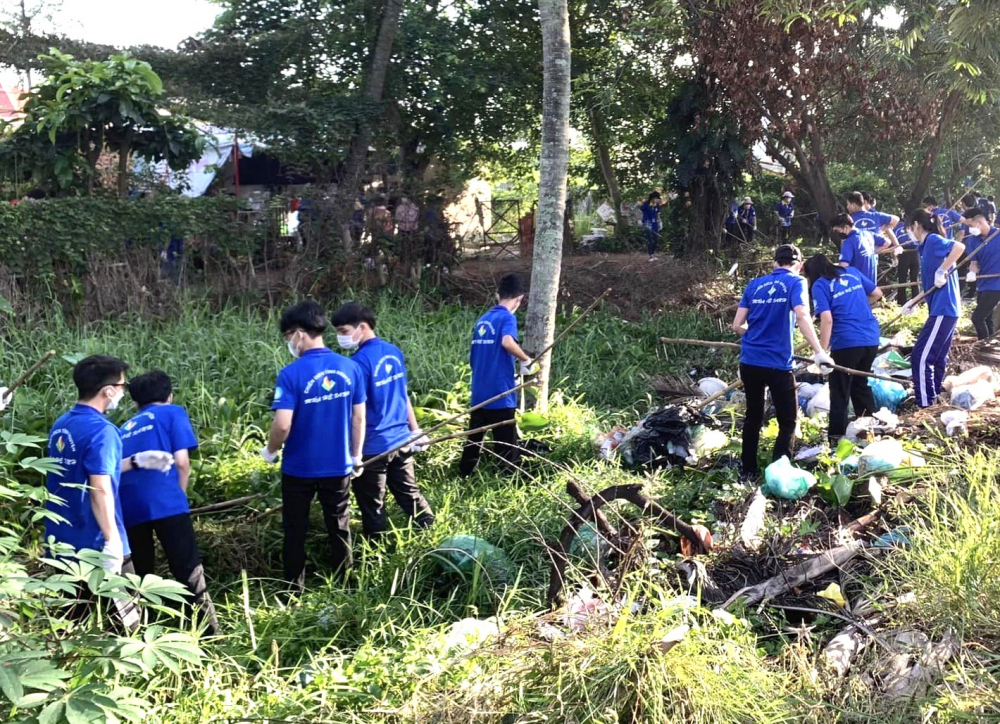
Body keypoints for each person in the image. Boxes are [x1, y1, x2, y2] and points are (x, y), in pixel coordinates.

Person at [45, 355, 174, 626]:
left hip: (61, 541)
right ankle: (129, 666)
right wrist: (112, 540)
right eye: (123, 387)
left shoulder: (62, 425)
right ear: (108, 390)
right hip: (95, 542)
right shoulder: (103, 431)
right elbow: (99, 488)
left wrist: (137, 462)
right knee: (128, 622)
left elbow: (88, 470)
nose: (123, 393)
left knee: (69, 620)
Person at [261, 301, 367, 592]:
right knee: (339, 525)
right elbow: (359, 417)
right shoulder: (351, 368)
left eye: (287, 338)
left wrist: (270, 451)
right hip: (338, 465)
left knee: (295, 530)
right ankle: (347, 584)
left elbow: (282, 425)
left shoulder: (291, 374)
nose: (289, 344)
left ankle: (293, 590)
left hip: (299, 469)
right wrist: (356, 455)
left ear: (298, 333)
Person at [118, 370, 219, 634]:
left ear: (135, 403)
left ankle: (141, 632)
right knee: (188, 568)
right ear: (169, 395)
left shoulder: (123, 428)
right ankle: (208, 633)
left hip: (128, 508)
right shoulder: (173, 412)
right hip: (166, 502)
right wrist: (179, 495)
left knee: (139, 575)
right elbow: (182, 462)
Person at [330, 302, 435, 537]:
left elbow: (357, 415)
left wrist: (354, 454)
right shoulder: (393, 351)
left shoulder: (357, 364)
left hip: (373, 447)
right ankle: (431, 533)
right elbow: (403, 393)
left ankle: (377, 552)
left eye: (344, 331)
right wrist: (414, 430)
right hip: (400, 441)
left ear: (363, 327)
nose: (340, 338)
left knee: (373, 505)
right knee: (409, 494)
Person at [731, 245, 833, 480]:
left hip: (750, 362)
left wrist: (755, 334)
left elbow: (737, 326)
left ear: (775, 263)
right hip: (777, 363)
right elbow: (802, 315)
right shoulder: (797, 282)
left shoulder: (754, 284)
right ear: (798, 264)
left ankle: (748, 470)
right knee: (788, 419)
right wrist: (819, 351)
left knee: (753, 416)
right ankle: (778, 472)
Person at [459, 273, 535, 477]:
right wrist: (525, 360)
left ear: (497, 295)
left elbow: (475, 358)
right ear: (520, 298)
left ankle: (465, 475)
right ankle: (509, 480)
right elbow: (507, 343)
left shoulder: (483, 320)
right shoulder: (507, 317)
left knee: (474, 439)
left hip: (480, 391)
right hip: (500, 393)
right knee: (507, 444)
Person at [803, 254, 883, 444]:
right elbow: (877, 293)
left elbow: (827, 319)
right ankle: (870, 431)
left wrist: (821, 352)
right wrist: (858, 306)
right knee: (859, 384)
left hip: (847, 341)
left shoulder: (820, 285)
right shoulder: (852, 272)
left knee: (839, 391)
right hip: (871, 338)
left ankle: (836, 438)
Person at [901, 210, 965, 408]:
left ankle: (925, 403)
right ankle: (935, 396)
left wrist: (942, 269)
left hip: (943, 308)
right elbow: (932, 284)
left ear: (917, 225)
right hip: (942, 308)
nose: (909, 233)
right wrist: (914, 301)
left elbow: (959, 246)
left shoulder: (934, 240)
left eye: (909, 228)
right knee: (936, 357)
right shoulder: (924, 248)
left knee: (920, 356)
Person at [960, 207, 1000, 340]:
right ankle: (990, 344)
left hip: (996, 285)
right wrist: (971, 273)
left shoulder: (997, 235)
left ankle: (983, 346)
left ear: (980, 223)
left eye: (971, 225)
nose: (970, 229)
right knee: (987, 318)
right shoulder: (973, 240)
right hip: (983, 284)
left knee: (977, 317)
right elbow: (974, 262)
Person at [846, 192, 898, 258]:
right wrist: (882, 229)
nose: (847, 207)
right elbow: (896, 219)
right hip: (872, 257)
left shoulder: (849, 219)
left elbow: (844, 240)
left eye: (848, 204)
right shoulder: (876, 215)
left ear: (853, 205)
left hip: (856, 256)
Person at [832, 212, 880, 284]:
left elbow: (843, 266)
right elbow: (886, 242)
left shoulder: (848, 242)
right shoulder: (867, 233)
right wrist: (873, 251)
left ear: (846, 227)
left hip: (858, 284)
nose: (837, 233)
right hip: (871, 284)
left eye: (837, 230)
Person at [894, 216, 920, 305]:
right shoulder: (913, 226)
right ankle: (916, 302)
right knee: (914, 279)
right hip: (915, 253)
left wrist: (894, 258)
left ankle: (901, 302)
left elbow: (894, 244)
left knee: (902, 279)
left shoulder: (896, 228)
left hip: (904, 253)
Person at [640, 192, 662, 261]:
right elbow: (640, 211)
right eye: (656, 199)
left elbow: (658, 214)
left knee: (656, 240)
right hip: (647, 223)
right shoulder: (646, 204)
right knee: (650, 240)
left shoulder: (657, 205)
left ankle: (653, 254)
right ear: (653, 198)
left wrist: (660, 222)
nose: (657, 200)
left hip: (655, 223)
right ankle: (650, 255)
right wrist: (639, 220)